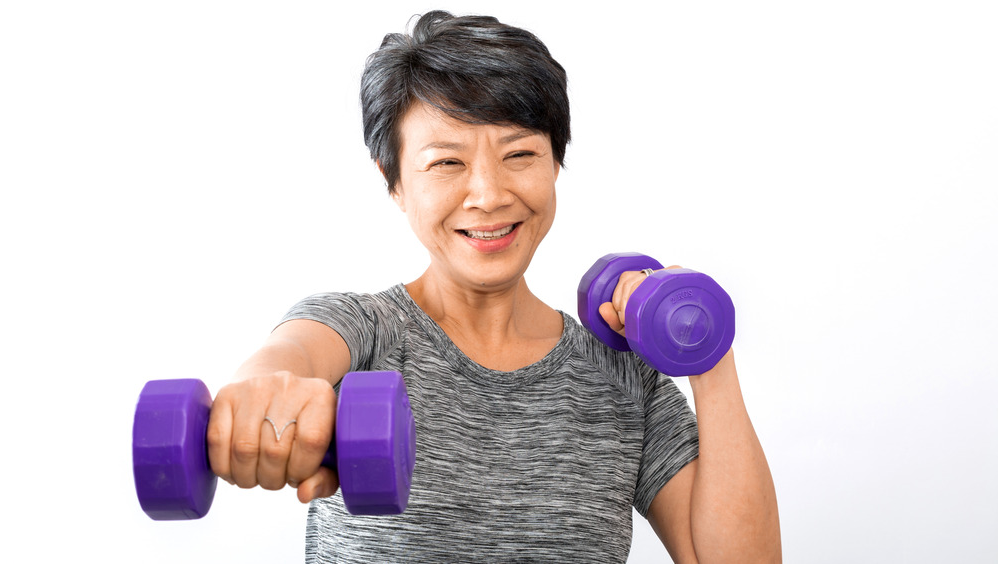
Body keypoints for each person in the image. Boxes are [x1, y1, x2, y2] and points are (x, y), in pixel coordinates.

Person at [206, 10, 780, 563]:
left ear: (556, 162)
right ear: (395, 182)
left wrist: (708, 356)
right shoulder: (362, 331)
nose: (488, 194)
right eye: (446, 163)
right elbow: (291, 355)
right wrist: (262, 392)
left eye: (520, 154)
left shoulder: (626, 378)